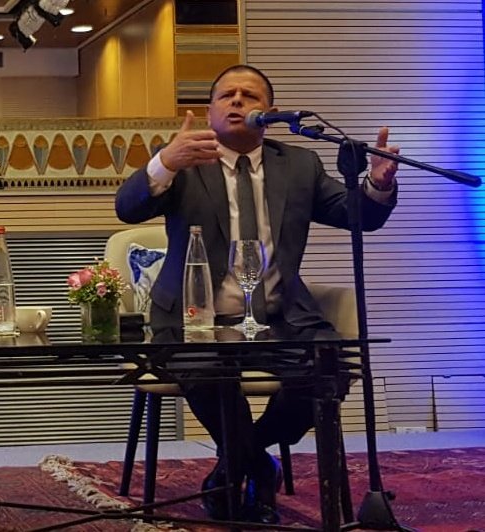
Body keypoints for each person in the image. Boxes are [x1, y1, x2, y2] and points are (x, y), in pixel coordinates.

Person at [115, 64, 400, 524]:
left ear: (270, 111)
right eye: (226, 95)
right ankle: (259, 472)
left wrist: (377, 185)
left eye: (249, 96)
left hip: (280, 317)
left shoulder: (300, 165)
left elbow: (358, 216)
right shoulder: (185, 162)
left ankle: (238, 462)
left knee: (330, 369)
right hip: (195, 319)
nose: (237, 101)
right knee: (207, 375)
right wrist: (165, 161)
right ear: (209, 110)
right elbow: (127, 208)